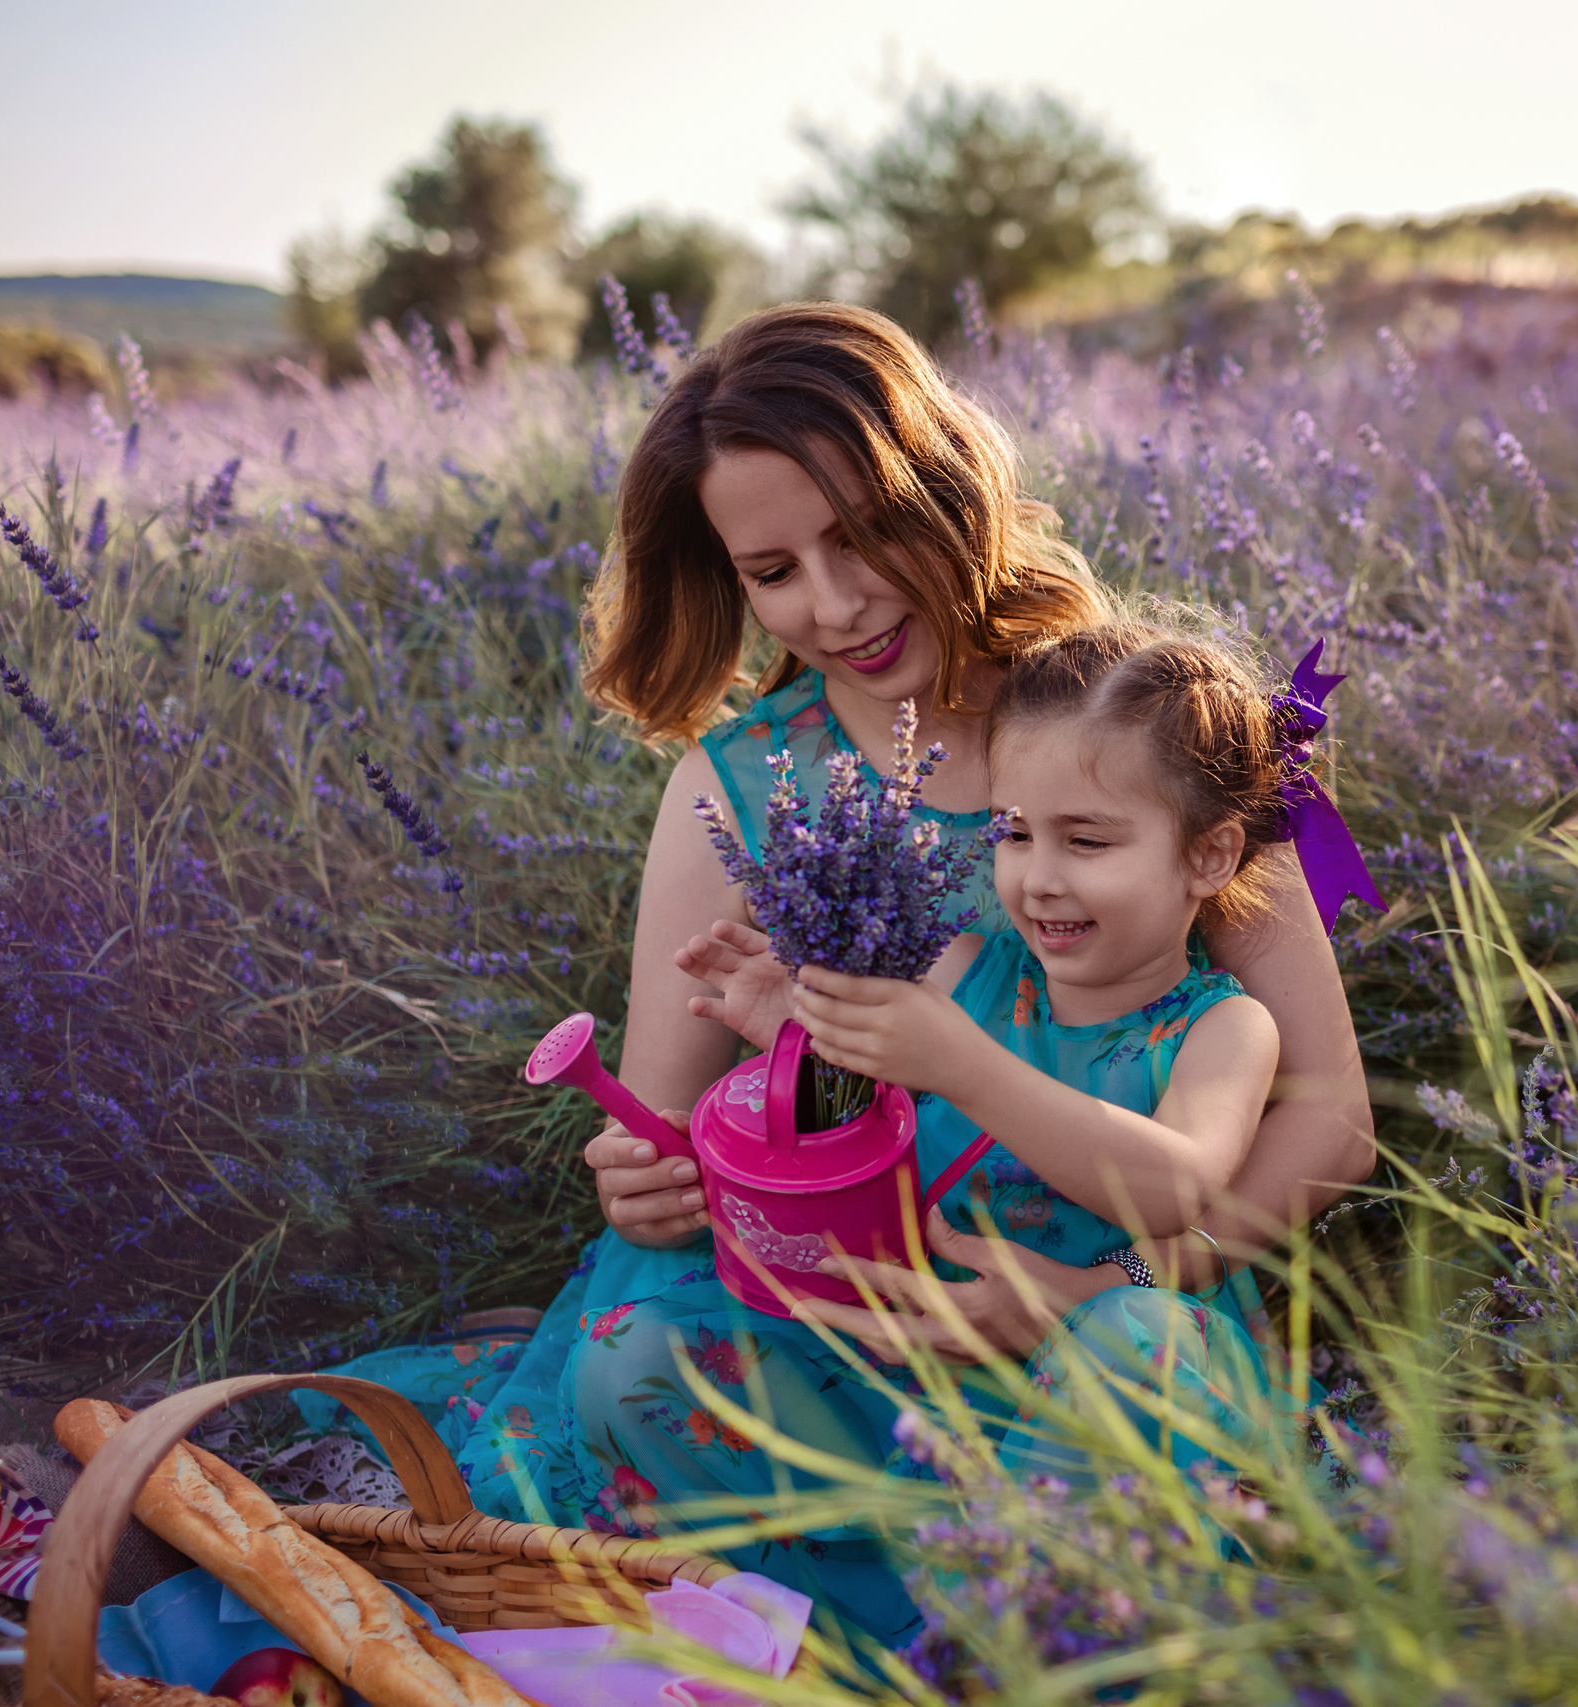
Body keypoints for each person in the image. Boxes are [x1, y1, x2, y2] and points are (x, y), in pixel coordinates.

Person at [301, 303, 1372, 1631]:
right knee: (632, 1368)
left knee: (1127, 1383)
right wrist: (655, 1177)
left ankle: (1006, 1605)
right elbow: (686, 1126)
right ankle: (917, 1625)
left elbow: (1330, 1114)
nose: (836, 602)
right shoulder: (736, 787)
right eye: (773, 570)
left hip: (1114, 1307)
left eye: (863, 534)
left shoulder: (1142, 722)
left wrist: (1100, 1290)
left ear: (944, 488)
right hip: (836, 1323)